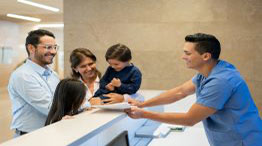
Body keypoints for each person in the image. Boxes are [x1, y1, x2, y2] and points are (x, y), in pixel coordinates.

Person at [125, 33, 262, 146]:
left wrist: (143, 114)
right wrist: (142, 104)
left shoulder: (221, 81)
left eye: (187, 53)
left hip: (243, 141)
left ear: (206, 56)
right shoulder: (210, 71)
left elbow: (189, 119)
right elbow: (180, 92)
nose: (183, 57)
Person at [8, 29, 60, 136]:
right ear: (31, 48)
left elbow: (62, 100)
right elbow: (49, 107)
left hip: (50, 132)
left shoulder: (53, 75)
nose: (54, 52)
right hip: (30, 136)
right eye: (48, 47)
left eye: (55, 47)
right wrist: (84, 105)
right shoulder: (22, 75)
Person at [70, 47, 142, 105]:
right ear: (75, 69)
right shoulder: (71, 87)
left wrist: (123, 98)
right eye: (83, 66)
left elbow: (139, 97)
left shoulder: (108, 78)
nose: (89, 68)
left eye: (91, 64)